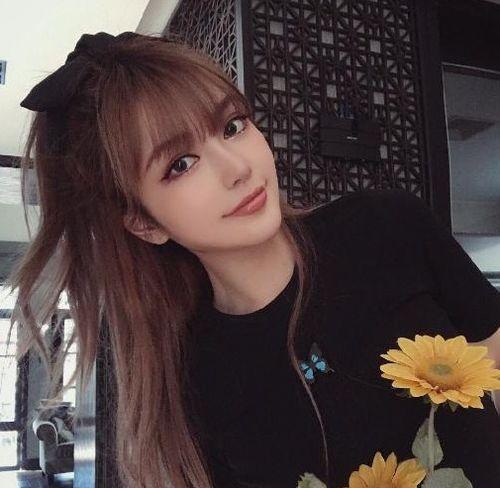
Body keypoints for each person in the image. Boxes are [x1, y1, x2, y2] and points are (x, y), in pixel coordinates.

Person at [7, 30, 500, 488]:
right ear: (144, 223)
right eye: (181, 164)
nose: (238, 168)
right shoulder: (193, 379)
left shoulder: (387, 227)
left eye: (232, 126)